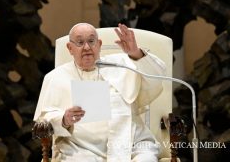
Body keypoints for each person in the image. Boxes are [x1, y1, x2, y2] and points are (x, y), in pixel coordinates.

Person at [33, 23, 166, 161]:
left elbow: (157, 78)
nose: (87, 47)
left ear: (99, 44)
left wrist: (136, 52)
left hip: (131, 142)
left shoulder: (122, 64)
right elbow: (43, 122)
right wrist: (64, 119)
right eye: (80, 42)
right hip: (80, 148)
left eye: (91, 41)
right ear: (70, 48)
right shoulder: (55, 77)